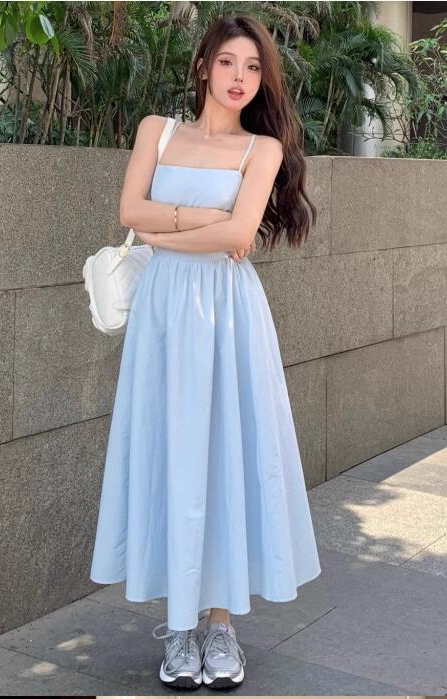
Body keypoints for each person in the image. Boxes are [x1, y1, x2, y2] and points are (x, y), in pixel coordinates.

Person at [89, 13, 321, 691]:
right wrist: (205, 221)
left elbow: (239, 235)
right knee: (171, 449)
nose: (239, 78)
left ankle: (220, 625)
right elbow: (130, 211)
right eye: (227, 63)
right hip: (163, 315)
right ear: (202, 66)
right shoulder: (157, 133)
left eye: (252, 67)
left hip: (228, 315)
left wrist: (171, 228)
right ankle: (179, 628)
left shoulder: (262, 150)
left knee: (224, 452)